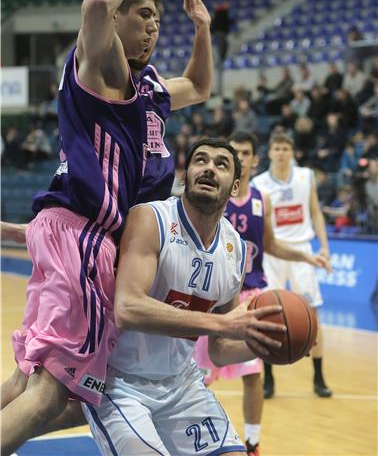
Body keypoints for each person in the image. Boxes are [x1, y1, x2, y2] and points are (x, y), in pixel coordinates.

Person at [0, 0, 204, 453]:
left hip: (71, 233)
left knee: (34, 381)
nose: (148, 25)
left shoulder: (118, 78)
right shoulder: (100, 70)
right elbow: (97, 1)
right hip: (85, 238)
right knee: (51, 394)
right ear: (116, 27)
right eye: (138, 14)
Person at [82, 137, 288, 455]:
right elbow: (128, 308)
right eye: (200, 160)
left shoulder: (234, 249)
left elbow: (219, 351)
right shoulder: (151, 219)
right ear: (185, 175)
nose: (209, 168)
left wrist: (266, 345)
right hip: (119, 383)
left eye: (221, 164)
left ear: (235, 187)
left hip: (182, 384)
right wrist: (220, 324)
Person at [193, 132, 331, 456]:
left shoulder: (261, 199)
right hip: (214, 297)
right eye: (235, 151)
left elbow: (270, 243)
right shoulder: (214, 196)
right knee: (197, 375)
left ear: (255, 160)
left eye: (245, 152)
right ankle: (192, 435)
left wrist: (305, 255)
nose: (240, 156)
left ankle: (252, 442)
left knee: (252, 373)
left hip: (251, 296)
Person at [253, 132, 333, 399]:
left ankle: (319, 378)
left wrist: (324, 246)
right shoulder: (259, 183)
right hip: (273, 252)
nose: (281, 152)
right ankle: (269, 380)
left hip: (301, 252)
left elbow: (315, 212)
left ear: (292, 151)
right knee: (266, 316)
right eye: (277, 148)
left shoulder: (305, 176)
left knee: (313, 315)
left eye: (286, 147)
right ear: (270, 152)